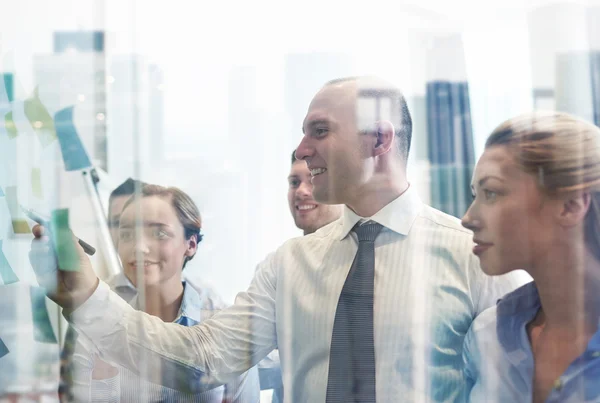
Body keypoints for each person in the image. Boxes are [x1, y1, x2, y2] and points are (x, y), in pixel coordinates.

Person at [30, 76, 527, 402]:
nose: (301, 148)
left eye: (319, 131)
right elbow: (200, 362)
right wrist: (85, 296)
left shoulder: (476, 259)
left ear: (379, 140)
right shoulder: (288, 266)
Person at [71, 184, 260, 402]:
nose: (139, 247)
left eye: (159, 233)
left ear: (191, 244)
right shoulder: (98, 328)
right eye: (126, 234)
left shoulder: (226, 328)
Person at [461, 111, 600, 403]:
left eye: (491, 193)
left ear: (570, 206)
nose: (468, 218)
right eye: (475, 194)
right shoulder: (487, 337)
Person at [258, 150, 344, 402]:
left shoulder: (363, 263)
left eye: (313, 178)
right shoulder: (278, 266)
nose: (302, 191)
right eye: (294, 182)